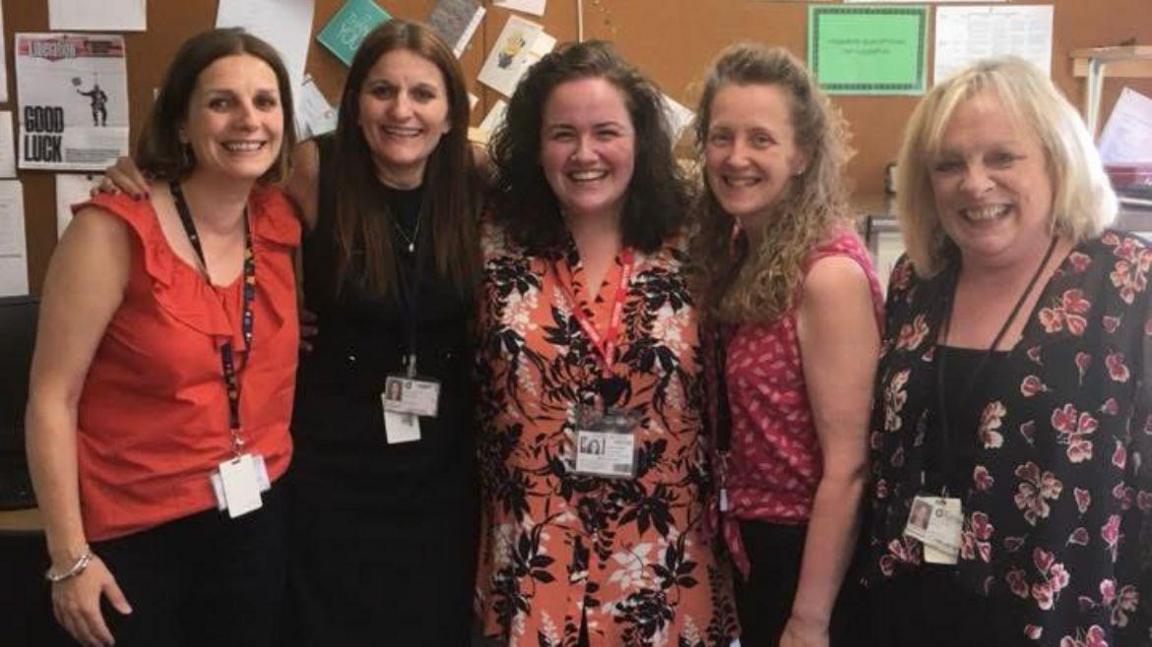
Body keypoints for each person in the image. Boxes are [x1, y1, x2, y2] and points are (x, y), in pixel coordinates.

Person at [101, 20, 483, 647]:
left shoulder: (473, 176)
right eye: (382, 90)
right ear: (355, 103)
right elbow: (217, 199)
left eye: (423, 94)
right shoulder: (316, 167)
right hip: (331, 458)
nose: (402, 111)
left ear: (449, 113)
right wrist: (143, 176)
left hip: (441, 467)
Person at [864, 56, 1152, 646]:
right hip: (910, 607)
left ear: (1056, 157)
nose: (974, 183)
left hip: (1058, 616)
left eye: (1002, 157)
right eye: (949, 164)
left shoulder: (1129, 281)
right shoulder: (916, 282)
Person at [26, 28, 299, 647]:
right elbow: (51, 398)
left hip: (255, 519)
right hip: (133, 536)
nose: (248, 120)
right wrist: (69, 558)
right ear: (180, 122)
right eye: (221, 102)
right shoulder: (112, 231)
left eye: (265, 101)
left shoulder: (281, 221)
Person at [475, 40, 739, 646]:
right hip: (534, 560)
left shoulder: (700, 244)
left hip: (666, 565)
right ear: (536, 146)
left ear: (641, 141)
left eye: (606, 132)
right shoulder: (491, 245)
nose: (584, 153)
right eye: (562, 133)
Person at [691, 43, 882, 647]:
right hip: (750, 542)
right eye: (721, 137)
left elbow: (848, 467)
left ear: (801, 153)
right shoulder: (742, 251)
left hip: (806, 555)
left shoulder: (825, 276)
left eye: (761, 140)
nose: (736, 157)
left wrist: (809, 616)